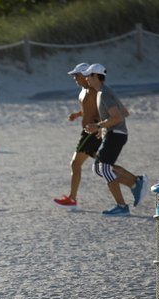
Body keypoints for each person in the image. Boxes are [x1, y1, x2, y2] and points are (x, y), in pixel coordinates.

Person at [83, 64, 148, 216]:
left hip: (117, 134)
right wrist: (104, 128)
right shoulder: (104, 92)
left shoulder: (104, 94)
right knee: (98, 169)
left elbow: (118, 116)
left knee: (104, 168)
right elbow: (124, 112)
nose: (86, 78)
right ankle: (135, 182)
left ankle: (122, 206)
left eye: (88, 75)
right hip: (115, 133)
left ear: (96, 76)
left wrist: (99, 125)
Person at [53, 63, 102, 209]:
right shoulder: (83, 91)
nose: (74, 78)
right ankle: (134, 182)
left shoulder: (93, 91)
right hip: (88, 131)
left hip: (91, 132)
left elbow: (101, 110)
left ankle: (72, 199)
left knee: (75, 164)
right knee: (104, 165)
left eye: (76, 75)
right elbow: (88, 109)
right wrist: (78, 114)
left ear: (85, 75)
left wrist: (99, 127)